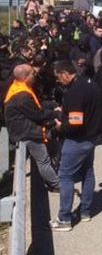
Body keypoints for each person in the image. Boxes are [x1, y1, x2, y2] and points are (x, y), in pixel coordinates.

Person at [51, 60, 102, 232]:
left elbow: (75, 122)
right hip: (92, 137)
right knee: (88, 173)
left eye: (58, 78)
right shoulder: (90, 83)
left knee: (65, 176)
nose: (58, 81)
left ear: (65, 74)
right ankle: (85, 212)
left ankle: (65, 218)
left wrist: (61, 126)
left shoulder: (75, 91)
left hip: (78, 140)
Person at [3, 64, 60, 192]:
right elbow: (38, 114)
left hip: (22, 130)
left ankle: (9, 178)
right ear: (26, 77)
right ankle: (56, 185)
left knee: (46, 152)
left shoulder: (18, 87)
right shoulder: (22, 95)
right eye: (33, 74)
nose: (35, 76)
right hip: (27, 133)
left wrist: (52, 106)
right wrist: (56, 113)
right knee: (43, 160)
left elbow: (37, 105)